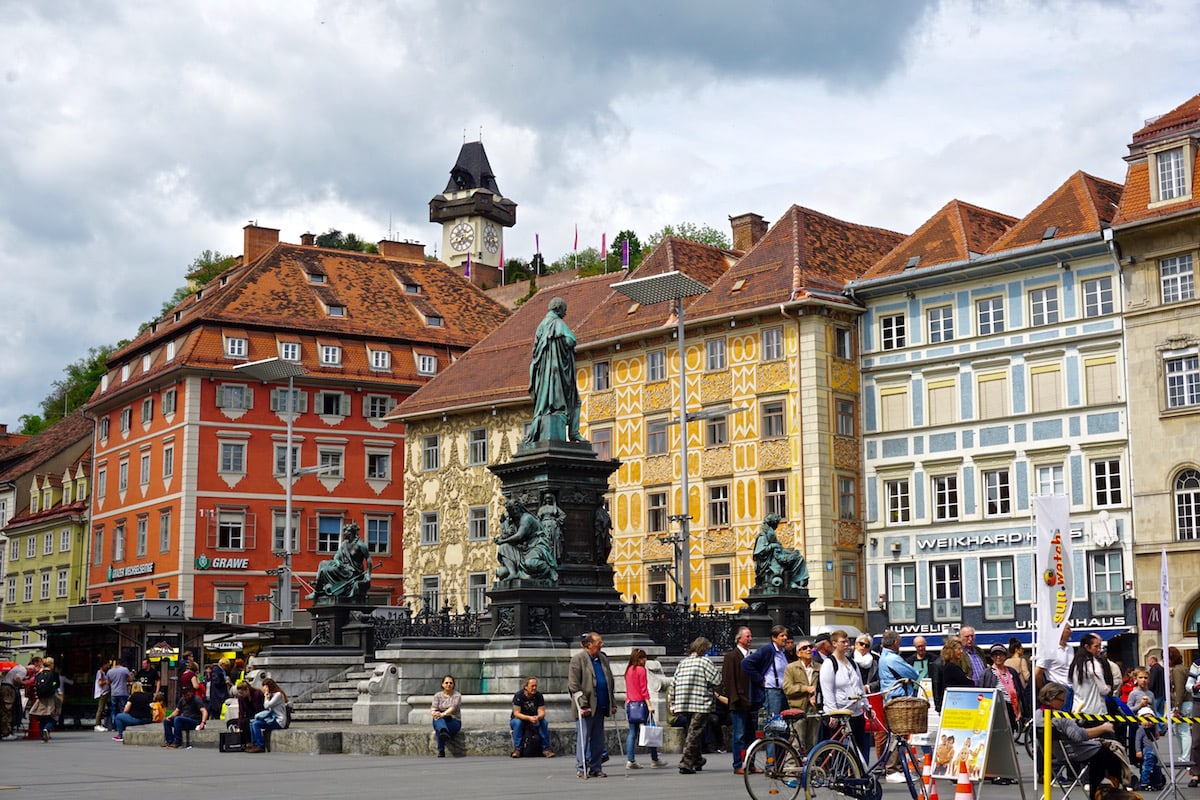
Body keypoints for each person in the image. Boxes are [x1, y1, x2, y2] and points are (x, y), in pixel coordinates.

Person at [1036, 682, 1124, 792]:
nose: (1064, 704)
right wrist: (1103, 728)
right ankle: (1106, 785)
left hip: (1054, 753)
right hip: (1073, 752)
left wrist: (1071, 722)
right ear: (1052, 698)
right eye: (1061, 700)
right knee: (1109, 751)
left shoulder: (1038, 714)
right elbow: (1079, 736)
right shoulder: (1060, 717)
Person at [525, 296, 584, 443]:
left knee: (551, 404)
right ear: (558, 309)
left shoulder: (541, 326)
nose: (566, 313)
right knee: (575, 401)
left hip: (544, 375)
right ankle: (574, 433)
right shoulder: (557, 323)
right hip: (558, 373)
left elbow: (535, 352)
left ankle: (567, 430)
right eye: (565, 310)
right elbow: (571, 340)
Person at [669, 637, 725, 775]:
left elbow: (673, 683)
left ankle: (697, 759)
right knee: (694, 733)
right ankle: (686, 763)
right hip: (700, 703)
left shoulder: (683, 662)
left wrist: (673, 701)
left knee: (692, 730)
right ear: (703, 649)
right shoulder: (704, 662)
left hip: (683, 702)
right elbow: (717, 679)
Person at [568, 632, 615, 778]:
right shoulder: (578, 659)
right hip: (586, 707)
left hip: (601, 704)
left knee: (598, 739)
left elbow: (609, 682)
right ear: (589, 645)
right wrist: (583, 705)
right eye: (598, 643)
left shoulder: (602, 658)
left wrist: (611, 702)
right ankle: (581, 767)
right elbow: (574, 685)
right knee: (584, 737)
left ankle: (596, 767)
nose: (601, 645)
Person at [819, 629, 870, 761]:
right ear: (834, 644)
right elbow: (827, 691)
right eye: (843, 642)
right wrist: (832, 713)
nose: (847, 644)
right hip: (841, 713)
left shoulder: (851, 662)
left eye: (847, 641)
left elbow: (859, 686)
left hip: (856, 712)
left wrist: (867, 706)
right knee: (842, 751)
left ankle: (857, 777)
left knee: (859, 748)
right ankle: (841, 776)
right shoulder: (829, 664)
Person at [878, 630, 920, 782]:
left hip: (892, 698)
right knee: (897, 734)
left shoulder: (884, 656)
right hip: (897, 699)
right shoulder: (892, 658)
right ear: (895, 643)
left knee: (898, 734)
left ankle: (899, 768)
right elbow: (913, 673)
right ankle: (892, 769)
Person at [743, 625, 791, 734]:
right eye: (782, 635)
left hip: (783, 691)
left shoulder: (783, 652)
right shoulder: (767, 649)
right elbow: (746, 663)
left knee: (781, 726)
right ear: (774, 638)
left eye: (786, 636)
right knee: (773, 726)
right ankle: (771, 750)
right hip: (773, 692)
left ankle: (779, 750)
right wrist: (760, 679)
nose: (785, 638)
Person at [310, 522, 373, 601]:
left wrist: (368, 574)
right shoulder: (344, 544)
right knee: (322, 563)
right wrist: (336, 561)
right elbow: (337, 555)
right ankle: (318, 587)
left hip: (352, 572)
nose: (343, 533)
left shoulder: (360, 545)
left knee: (324, 570)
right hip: (343, 567)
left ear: (351, 533)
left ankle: (317, 592)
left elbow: (368, 559)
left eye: (345, 531)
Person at [723, 626, 756, 773]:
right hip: (739, 701)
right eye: (747, 636)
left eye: (750, 636)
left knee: (751, 735)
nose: (750, 639)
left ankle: (751, 764)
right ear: (739, 638)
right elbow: (728, 679)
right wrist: (734, 699)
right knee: (739, 735)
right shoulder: (731, 656)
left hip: (751, 700)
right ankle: (738, 764)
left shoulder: (751, 655)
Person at [622, 651, 661, 768]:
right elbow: (643, 689)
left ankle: (630, 760)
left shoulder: (628, 671)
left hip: (630, 704)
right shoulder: (641, 670)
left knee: (632, 733)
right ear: (640, 659)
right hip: (641, 705)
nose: (645, 660)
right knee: (650, 731)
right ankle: (654, 759)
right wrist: (649, 704)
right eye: (644, 658)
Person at [752, 514, 808, 591]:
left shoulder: (771, 534)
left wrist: (792, 552)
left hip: (777, 557)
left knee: (799, 557)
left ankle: (795, 581)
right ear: (772, 523)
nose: (777, 525)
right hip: (769, 562)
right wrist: (772, 546)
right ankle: (792, 581)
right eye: (776, 523)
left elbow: (780, 548)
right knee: (795, 559)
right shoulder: (763, 536)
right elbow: (760, 552)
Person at [783, 636, 820, 753]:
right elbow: (787, 688)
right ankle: (791, 769)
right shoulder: (791, 668)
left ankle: (810, 768)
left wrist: (817, 696)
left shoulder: (820, 667)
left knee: (813, 743)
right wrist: (805, 689)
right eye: (805, 648)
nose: (809, 650)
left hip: (814, 709)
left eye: (810, 647)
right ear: (798, 653)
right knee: (796, 743)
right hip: (798, 709)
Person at [1069, 632, 1113, 721]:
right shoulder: (1093, 664)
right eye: (1096, 646)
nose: (1099, 650)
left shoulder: (1075, 664)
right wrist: (1108, 688)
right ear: (1087, 647)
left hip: (1078, 709)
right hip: (1095, 711)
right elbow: (1103, 690)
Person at [980, 643, 1023, 731]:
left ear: (1005, 656)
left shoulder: (1012, 671)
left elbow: (1019, 690)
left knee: (1010, 730)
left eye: (1001, 654)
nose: (998, 657)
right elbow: (982, 692)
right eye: (995, 655)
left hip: (1011, 706)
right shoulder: (987, 673)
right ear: (992, 657)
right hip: (997, 707)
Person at [511, 676, 555, 759]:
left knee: (544, 722)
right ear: (526, 687)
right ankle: (517, 749)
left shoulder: (539, 696)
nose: (534, 688)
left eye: (535, 686)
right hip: (520, 719)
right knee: (518, 723)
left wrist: (538, 717)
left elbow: (542, 711)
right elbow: (516, 713)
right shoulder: (519, 696)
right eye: (532, 686)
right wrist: (528, 718)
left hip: (534, 719)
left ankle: (546, 749)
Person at [246, 677, 287, 753]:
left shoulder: (278, 695)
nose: (263, 688)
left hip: (279, 721)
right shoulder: (272, 695)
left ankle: (260, 745)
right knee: (252, 722)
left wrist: (266, 695)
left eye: (264, 686)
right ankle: (255, 743)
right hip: (272, 719)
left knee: (256, 724)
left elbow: (266, 705)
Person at [28, 656, 61, 742]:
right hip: (51, 697)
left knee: (42, 717)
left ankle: (42, 737)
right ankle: (47, 728)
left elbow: (35, 683)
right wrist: (53, 685)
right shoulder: (53, 674)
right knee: (54, 715)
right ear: (51, 664)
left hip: (40, 698)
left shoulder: (39, 674)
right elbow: (57, 685)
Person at [1036, 624, 1073, 695]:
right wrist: (1045, 690)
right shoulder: (1049, 650)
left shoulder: (1070, 649)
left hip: (1071, 688)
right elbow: (1038, 673)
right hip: (1057, 690)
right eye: (1068, 629)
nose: (1071, 631)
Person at [430, 674, 462, 758]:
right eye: (446, 683)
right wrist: (434, 713)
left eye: (451, 683)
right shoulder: (437, 695)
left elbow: (452, 709)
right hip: (440, 720)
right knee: (438, 721)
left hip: (454, 721)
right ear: (442, 684)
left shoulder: (457, 695)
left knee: (439, 727)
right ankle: (443, 730)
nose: (448, 684)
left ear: (453, 685)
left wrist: (441, 714)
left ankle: (441, 750)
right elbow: (433, 708)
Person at [1135, 706, 1165, 791]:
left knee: (1157, 768)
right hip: (1147, 750)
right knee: (1147, 767)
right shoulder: (1141, 730)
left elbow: (1157, 736)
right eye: (1146, 719)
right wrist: (1138, 751)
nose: (1148, 722)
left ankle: (1158, 782)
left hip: (1155, 750)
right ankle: (1145, 783)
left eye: (1150, 719)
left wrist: (1155, 728)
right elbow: (1137, 741)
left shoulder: (1152, 728)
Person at [234, 680, 264, 746]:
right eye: (239, 693)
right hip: (249, 715)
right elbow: (241, 712)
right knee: (232, 722)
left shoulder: (257, 694)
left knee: (245, 722)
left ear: (247, 690)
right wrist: (238, 726)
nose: (241, 695)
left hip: (258, 714)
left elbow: (259, 708)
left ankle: (249, 742)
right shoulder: (241, 698)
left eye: (242, 693)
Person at [106, 659, 132, 732]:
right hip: (123, 692)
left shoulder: (110, 671)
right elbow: (130, 679)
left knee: (114, 710)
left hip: (114, 693)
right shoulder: (125, 670)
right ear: (122, 663)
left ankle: (113, 726)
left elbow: (108, 682)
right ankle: (123, 725)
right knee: (123, 709)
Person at [206, 657, 231, 722]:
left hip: (219, 693)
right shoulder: (217, 670)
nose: (227, 668)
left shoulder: (219, 670)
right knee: (217, 709)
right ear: (223, 664)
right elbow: (217, 681)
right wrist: (224, 682)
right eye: (226, 666)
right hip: (218, 694)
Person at [93, 660, 111, 731]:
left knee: (102, 708)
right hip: (102, 692)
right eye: (106, 664)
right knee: (100, 708)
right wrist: (106, 682)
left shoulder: (103, 673)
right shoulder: (100, 672)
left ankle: (99, 724)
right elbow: (100, 683)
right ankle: (97, 724)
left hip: (105, 692)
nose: (107, 666)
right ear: (103, 665)